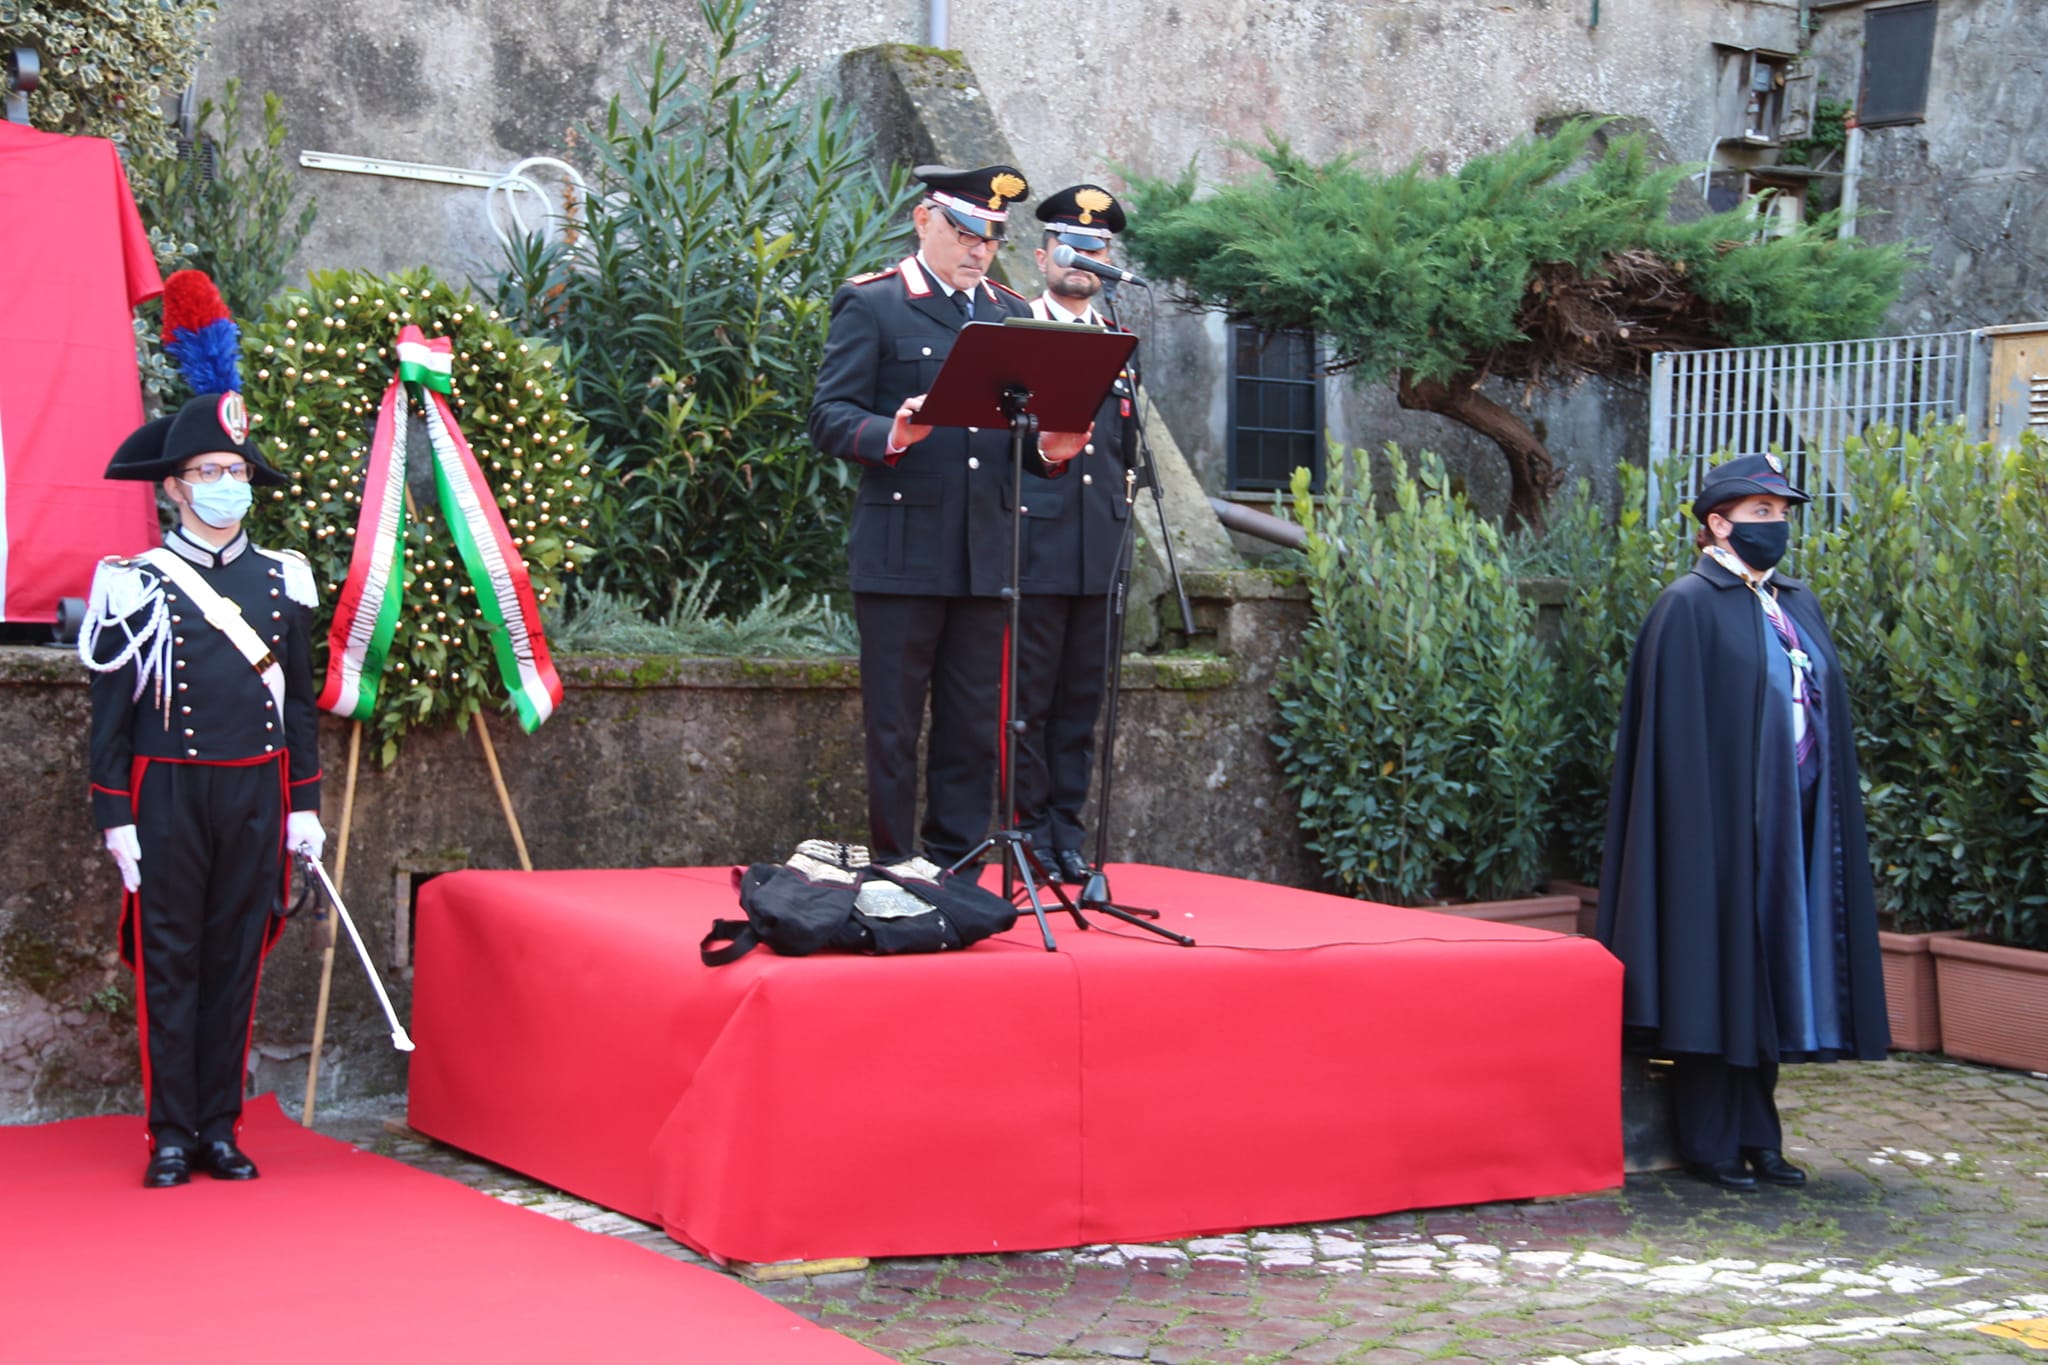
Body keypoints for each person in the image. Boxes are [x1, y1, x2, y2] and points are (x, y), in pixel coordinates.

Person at [1595, 453, 1889, 1191]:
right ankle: (1711, 1139)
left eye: (1782, 513)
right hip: (1715, 831)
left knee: (1767, 974)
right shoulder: (1687, 606)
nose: (1776, 525)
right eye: (1761, 514)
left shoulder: (1797, 602)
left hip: (1793, 823)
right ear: (1717, 524)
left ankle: (1760, 1132)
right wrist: (1702, 833)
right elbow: (1672, 745)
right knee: (1713, 970)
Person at [808, 164, 1089, 868]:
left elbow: (1018, 438)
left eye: (990, 239)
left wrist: (1052, 453)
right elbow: (828, 417)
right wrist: (892, 435)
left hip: (986, 551)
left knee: (972, 723)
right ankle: (896, 863)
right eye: (964, 232)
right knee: (895, 725)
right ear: (923, 220)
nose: (977, 250)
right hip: (903, 551)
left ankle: (957, 861)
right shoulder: (874, 303)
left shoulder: (1006, 311)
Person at [81, 390, 325, 1188]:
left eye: (237, 469)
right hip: (169, 794)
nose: (228, 482)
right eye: (209, 470)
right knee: (170, 958)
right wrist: (115, 813)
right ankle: (170, 1134)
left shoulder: (284, 579)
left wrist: (305, 805)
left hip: (256, 790)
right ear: (175, 487)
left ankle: (221, 1126)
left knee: (235, 959)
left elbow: (296, 702)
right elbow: (110, 715)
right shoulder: (134, 582)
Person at [1011, 184, 1140, 883]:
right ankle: (1026, 830)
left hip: (1100, 547)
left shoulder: (1119, 343)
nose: (1083, 259)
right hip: (1034, 545)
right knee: (1028, 703)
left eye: (1097, 250)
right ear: (1042, 256)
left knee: (1079, 705)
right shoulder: (1018, 330)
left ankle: (1068, 829)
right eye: (1071, 246)